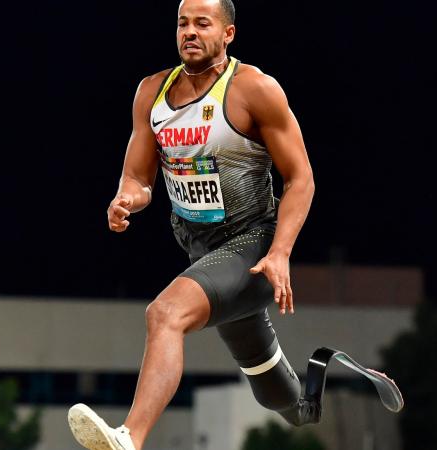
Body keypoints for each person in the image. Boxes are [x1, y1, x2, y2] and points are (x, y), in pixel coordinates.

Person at [68, 0, 339, 448]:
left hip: (254, 247)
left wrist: (281, 252)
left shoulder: (253, 89)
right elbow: (139, 177)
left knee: (165, 314)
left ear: (228, 33)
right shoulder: (151, 93)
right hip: (203, 252)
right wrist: (126, 200)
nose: (188, 32)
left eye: (202, 23)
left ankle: (129, 438)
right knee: (275, 392)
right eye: (182, 23)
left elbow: (301, 178)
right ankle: (307, 402)